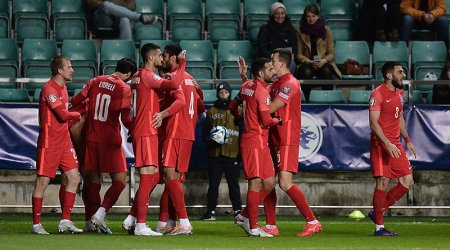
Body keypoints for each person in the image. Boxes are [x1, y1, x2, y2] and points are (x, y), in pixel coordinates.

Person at [121, 43, 186, 236]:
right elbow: (175, 84)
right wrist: (182, 64)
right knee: (148, 177)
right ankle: (140, 225)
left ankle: (133, 218)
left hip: (142, 129)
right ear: (151, 58)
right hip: (147, 130)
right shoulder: (148, 76)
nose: (161, 59)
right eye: (159, 56)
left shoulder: (137, 76)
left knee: (153, 177)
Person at [70, 58, 137, 234]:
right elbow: (126, 119)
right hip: (110, 140)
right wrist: (136, 128)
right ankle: (100, 214)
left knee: (92, 181)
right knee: (120, 181)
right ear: (129, 74)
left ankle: (89, 221)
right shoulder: (124, 88)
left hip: (92, 138)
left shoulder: (95, 80)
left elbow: (76, 100)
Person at [153, 43, 205, 235]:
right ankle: (167, 222)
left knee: (168, 176)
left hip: (175, 132)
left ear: (174, 59)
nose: (163, 60)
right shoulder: (191, 79)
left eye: (165, 56)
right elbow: (200, 108)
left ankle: (183, 222)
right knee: (173, 179)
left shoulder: (173, 79)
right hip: (188, 134)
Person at [230, 57, 281, 237]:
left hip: (260, 142)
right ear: (261, 73)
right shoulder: (263, 92)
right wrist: (278, 120)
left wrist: (241, 116)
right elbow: (267, 120)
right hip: (254, 141)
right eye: (269, 69)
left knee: (269, 182)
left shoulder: (247, 86)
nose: (273, 71)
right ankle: (253, 227)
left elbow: (232, 106)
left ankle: (244, 215)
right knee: (256, 183)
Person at [32, 56, 83, 234]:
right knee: (42, 182)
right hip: (49, 142)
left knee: (74, 178)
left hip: (64, 141)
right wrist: (78, 114)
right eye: (69, 67)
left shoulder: (63, 87)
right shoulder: (49, 89)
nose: (72, 69)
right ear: (59, 70)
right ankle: (36, 224)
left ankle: (65, 221)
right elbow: (62, 114)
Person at [368, 61, 417, 236]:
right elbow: (373, 124)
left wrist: (408, 140)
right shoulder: (377, 94)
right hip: (381, 144)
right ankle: (379, 228)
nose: (403, 75)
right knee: (383, 181)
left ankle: (377, 212)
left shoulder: (400, 93)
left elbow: (400, 118)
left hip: (395, 143)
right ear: (389, 75)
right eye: (400, 72)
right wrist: (387, 143)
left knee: (407, 181)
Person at [201, 82, 242, 221]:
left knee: (234, 185)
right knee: (213, 185)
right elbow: (205, 133)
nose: (223, 94)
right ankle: (210, 211)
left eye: (226, 92)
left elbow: (242, 132)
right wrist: (211, 141)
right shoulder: (212, 111)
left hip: (232, 154)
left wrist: (240, 155)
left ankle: (237, 211)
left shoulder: (238, 110)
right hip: (215, 155)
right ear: (217, 94)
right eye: (221, 92)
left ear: (230, 93)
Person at [295, 4, 342, 101]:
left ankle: (327, 99)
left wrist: (324, 60)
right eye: (308, 16)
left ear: (318, 16)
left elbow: (331, 54)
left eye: (313, 16)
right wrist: (308, 61)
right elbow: (298, 55)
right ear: (305, 17)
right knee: (306, 72)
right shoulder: (300, 32)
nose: (311, 19)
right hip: (307, 63)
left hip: (323, 62)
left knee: (327, 70)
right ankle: (306, 100)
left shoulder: (326, 31)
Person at [256, 2, 297, 72]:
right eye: (277, 13)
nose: (280, 16)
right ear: (272, 15)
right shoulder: (265, 28)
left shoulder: (291, 29)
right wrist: (275, 58)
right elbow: (262, 49)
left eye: (282, 13)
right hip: (269, 59)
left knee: (291, 65)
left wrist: (289, 57)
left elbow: (294, 48)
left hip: (286, 60)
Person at [87, 0, 157, 40]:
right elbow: (90, 3)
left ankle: (127, 55)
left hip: (117, 19)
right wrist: (111, 4)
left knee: (125, 20)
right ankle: (140, 17)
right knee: (106, 5)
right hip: (102, 19)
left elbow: (132, 6)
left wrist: (113, 4)